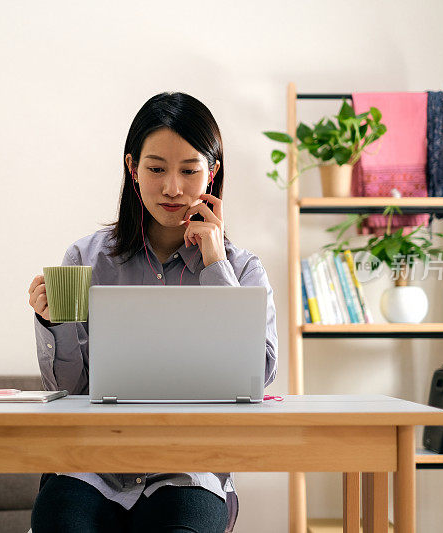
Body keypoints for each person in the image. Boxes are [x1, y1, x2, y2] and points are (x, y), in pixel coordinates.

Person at [26, 92, 278, 533]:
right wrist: (52, 323)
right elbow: (69, 388)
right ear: (132, 168)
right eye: (157, 168)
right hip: (91, 469)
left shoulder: (241, 268)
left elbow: (256, 372)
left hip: (190, 472)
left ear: (212, 173)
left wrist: (215, 264)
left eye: (189, 170)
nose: (172, 188)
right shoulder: (86, 259)